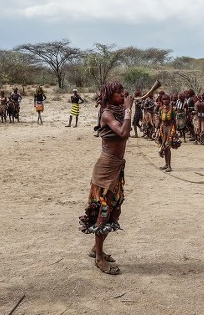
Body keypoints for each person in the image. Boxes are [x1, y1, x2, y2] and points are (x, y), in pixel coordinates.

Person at [78, 81, 133, 275]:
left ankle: (96, 249)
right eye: (118, 92)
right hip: (105, 171)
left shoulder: (116, 112)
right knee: (103, 212)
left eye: (122, 91)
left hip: (116, 170)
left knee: (113, 212)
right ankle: (99, 258)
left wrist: (126, 110)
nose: (122, 94)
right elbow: (124, 133)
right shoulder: (107, 114)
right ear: (109, 96)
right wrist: (128, 110)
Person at [156, 94, 179, 172]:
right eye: (164, 99)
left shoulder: (172, 109)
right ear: (162, 100)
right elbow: (159, 119)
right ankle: (166, 164)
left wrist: (175, 131)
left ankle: (169, 166)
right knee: (163, 146)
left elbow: (174, 120)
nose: (165, 101)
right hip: (163, 128)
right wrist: (156, 129)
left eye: (167, 99)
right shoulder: (160, 109)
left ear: (169, 100)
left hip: (170, 128)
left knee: (167, 146)